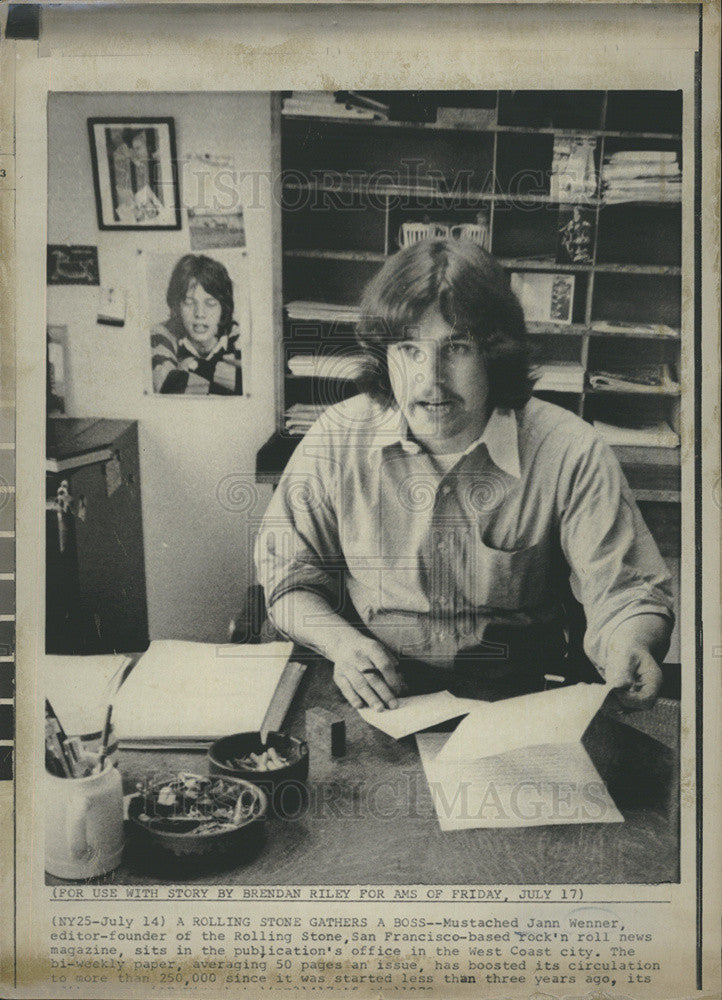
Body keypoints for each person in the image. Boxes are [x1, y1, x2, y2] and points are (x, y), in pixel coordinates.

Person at [254, 239, 673, 711]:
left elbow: (627, 592)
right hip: (375, 688)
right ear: (383, 356)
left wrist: (630, 645)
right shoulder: (337, 438)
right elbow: (287, 578)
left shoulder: (571, 451)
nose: (430, 379)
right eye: (409, 349)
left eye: (456, 347)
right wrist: (341, 644)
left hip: (517, 698)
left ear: (494, 355)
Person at [151, 254, 243, 394]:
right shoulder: (162, 333)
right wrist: (227, 381)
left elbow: (250, 384)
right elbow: (165, 384)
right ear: (177, 305)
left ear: (223, 307)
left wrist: (195, 366)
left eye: (210, 303)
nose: (199, 313)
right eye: (189, 302)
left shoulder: (238, 335)